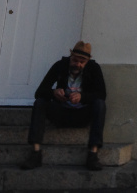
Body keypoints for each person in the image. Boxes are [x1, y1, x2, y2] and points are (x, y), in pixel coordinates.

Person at [20, 41, 107, 171]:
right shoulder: (60, 65)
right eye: (75, 60)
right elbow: (39, 92)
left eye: (82, 62)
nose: (78, 64)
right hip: (61, 113)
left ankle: (93, 155)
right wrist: (53, 93)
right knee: (40, 102)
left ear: (87, 61)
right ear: (70, 56)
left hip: (82, 115)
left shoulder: (94, 68)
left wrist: (82, 97)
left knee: (100, 104)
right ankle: (35, 153)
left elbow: (102, 94)